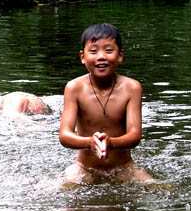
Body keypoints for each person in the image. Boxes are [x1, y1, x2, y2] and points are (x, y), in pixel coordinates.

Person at [58, 23, 154, 184]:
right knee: (57, 193)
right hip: (84, 167)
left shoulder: (132, 88)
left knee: (160, 189)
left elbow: (135, 135)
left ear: (120, 55)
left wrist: (112, 143)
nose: (101, 56)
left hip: (124, 167)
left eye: (108, 50)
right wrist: (89, 142)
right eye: (93, 51)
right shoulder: (74, 88)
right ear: (82, 57)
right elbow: (65, 135)